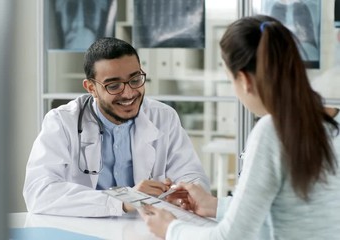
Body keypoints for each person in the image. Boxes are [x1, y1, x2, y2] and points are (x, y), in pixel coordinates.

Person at [139, 15, 340, 239]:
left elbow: (231, 237)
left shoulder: (272, 131)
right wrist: (215, 205)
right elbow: (296, 211)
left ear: (244, 80)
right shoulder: (332, 123)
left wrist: (170, 228)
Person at [23, 37, 210, 217]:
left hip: (146, 228)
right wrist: (123, 201)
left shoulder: (164, 117)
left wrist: (184, 192)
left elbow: (192, 175)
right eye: (114, 86)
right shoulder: (62, 122)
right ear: (91, 88)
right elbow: (39, 192)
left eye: (135, 80)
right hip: (83, 229)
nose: (128, 93)